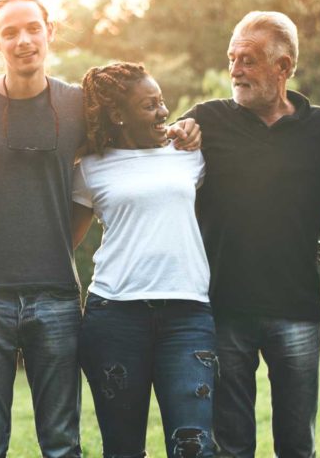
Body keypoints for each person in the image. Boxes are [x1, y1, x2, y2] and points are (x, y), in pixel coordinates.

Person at [0, 0, 200, 458]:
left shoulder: (78, 106)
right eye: (10, 32)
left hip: (55, 295)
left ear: (49, 32)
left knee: (61, 443)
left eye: (33, 28)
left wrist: (185, 128)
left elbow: (129, 146)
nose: (23, 41)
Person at [180, 11, 320, 458]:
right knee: (232, 443)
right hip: (224, 307)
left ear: (283, 67)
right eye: (232, 58)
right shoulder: (207, 120)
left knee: (296, 444)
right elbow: (155, 155)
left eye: (247, 59)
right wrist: (177, 131)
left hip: (297, 310)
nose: (235, 70)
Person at [71, 62, 216, 458]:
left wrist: (192, 129)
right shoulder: (89, 168)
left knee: (194, 446)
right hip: (115, 316)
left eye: (162, 101)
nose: (163, 112)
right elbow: (65, 240)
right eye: (150, 105)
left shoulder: (190, 155)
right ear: (118, 114)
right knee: (122, 449)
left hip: (188, 316)